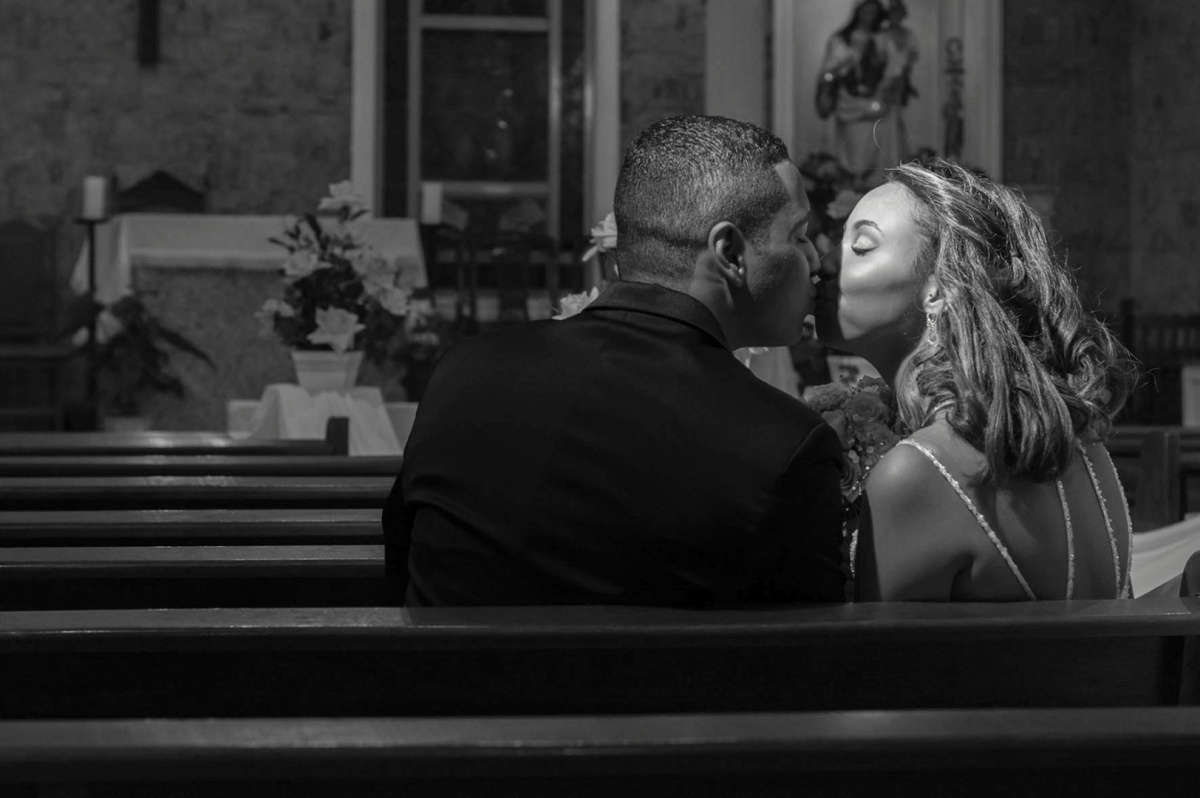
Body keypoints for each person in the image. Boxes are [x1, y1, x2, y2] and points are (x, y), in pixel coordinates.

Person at [384, 114, 846, 607]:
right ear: (730, 250)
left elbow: (403, 562)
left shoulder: (465, 370)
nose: (817, 261)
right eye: (798, 236)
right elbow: (804, 657)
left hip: (438, 681)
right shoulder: (782, 443)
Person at [814, 160, 1137, 601]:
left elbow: (880, 667)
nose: (825, 260)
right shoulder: (1082, 448)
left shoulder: (919, 473)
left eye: (863, 246)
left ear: (940, 288)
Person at [817, 0, 902, 185]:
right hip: (850, 102)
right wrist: (844, 65)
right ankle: (852, 186)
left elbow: (894, 70)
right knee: (854, 153)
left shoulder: (883, 39)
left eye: (873, 12)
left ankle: (876, 186)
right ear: (858, 12)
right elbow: (829, 71)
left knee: (879, 152)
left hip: (877, 103)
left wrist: (883, 90)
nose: (869, 16)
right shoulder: (841, 40)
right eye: (866, 11)